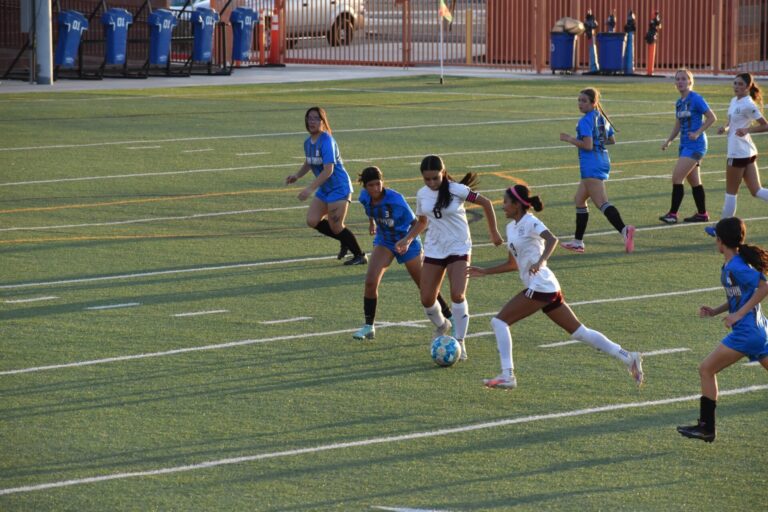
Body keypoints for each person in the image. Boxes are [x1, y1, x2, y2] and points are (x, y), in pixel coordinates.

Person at [467, 183, 644, 389]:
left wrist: (541, 261)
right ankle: (628, 356)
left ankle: (508, 375)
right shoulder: (511, 228)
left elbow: (552, 239)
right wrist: (486, 271)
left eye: (505, 202)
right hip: (546, 287)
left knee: (499, 322)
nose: (503, 205)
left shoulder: (530, 222)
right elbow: (512, 264)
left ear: (517, 204)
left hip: (541, 284)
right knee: (580, 333)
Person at [394, 155, 503, 360]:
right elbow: (422, 221)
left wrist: (494, 232)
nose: (432, 183)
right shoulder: (422, 194)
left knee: (457, 295)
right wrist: (407, 240)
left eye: (435, 178)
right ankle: (442, 325)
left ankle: (460, 341)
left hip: (459, 247)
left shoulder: (457, 190)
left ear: (443, 173)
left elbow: (486, 203)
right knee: (426, 298)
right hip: (435, 248)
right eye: (427, 179)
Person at [677, 217, 768, 442]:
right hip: (757, 332)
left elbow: (764, 285)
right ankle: (706, 426)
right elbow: (740, 295)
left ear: (720, 241)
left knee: (706, 369)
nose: (714, 242)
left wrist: (738, 314)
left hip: (747, 333)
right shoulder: (731, 265)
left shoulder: (737, 266)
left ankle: (706, 427)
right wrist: (716, 311)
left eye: (714, 238)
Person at [352, 166, 453, 340]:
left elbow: (419, 223)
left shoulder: (396, 200)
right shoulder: (364, 197)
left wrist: (406, 241)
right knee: (370, 281)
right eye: (371, 185)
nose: (376, 188)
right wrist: (372, 223)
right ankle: (369, 326)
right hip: (385, 241)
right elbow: (370, 210)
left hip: (408, 242)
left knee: (425, 287)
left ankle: (449, 317)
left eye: (378, 183)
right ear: (365, 187)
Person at [285, 106, 367, 265]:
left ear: (323, 122)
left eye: (316, 118)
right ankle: (344, 239)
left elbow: (328, 170)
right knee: (312, 220)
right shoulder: (308, 142)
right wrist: (297, 175)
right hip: (325, 189)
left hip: (339, 188)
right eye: (309, 118)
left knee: (336, 227)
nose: (312, 122)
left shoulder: (327, 141)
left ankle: (360, 255)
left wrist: (309, 189)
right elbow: (309, 162)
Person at [558, 88, 636, 254]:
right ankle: (578, 242)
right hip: (602, 160)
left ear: (593, 103)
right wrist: (596, 141)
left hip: (591, 164)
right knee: (579, 199)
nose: (580, 104)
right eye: (579, 100)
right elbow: (611, 140)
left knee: (601, 203)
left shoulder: (585, 120)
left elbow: (587, 145)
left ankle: (624, 230)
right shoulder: (601, 117)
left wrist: (570, 139)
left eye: (584, 101)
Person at [705, 73, 768, 237]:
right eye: (735, 84)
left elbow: (765, 125)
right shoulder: (734, 101)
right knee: (756, 190)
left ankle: (720, 229)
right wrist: (725, 128)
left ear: (748, 87)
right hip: (747, 151)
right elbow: (732, 121)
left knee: (731, 192)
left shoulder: (748, 104)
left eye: (740, 84)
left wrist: (748, 129)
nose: (736, 87)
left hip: (738, 152)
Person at [659, 69, 717, 225]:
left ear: (690, 81)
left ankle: (672, 214)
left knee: (677, 178)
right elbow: (678, 124)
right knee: (695, 182)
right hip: (684, 145)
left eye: (684, 79)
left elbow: (712, 118)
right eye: (677, 79)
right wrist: (669, 140)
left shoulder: (696, 99)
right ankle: (702, 214)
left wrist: (698, 132)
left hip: (696, 145)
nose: (680, 82)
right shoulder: (679, 103)